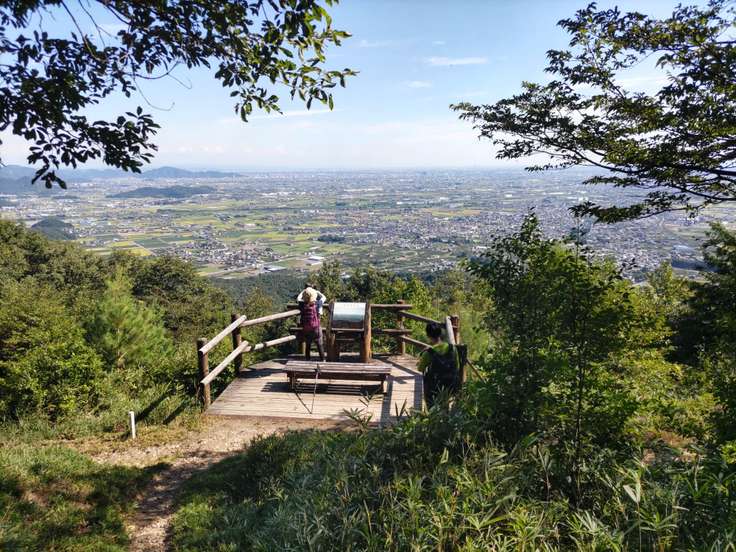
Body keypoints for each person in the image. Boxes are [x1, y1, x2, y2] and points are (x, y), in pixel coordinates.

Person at [417, 322, 461, 408]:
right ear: (440, 334)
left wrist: (421, 357)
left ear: (428, 335)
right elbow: (457, 366)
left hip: (435, 388)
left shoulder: (428, 353)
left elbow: (420, 368)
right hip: (451, 386)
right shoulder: (452, 348)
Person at [298, 287, 325, 361]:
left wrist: (304, 291)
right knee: (319, 343)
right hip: (316, 328)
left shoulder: (302, 304)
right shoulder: (317, 303)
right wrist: (317, 292)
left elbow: (298, 298)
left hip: (306, 328)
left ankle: (307, 359)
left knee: (308, 344)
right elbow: (323, 298)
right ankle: (323, 360)